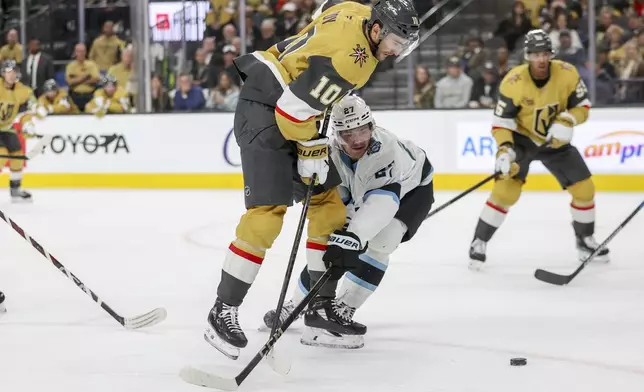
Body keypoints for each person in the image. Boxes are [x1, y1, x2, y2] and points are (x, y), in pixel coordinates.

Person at [205, 0, 419, 360]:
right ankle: (222, 309)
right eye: (395, 42)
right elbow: (291, 112)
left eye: (404, 45)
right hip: (265, 107)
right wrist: (311, 151)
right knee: (267, 213)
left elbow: (326, 6)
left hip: (287, 100)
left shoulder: (359, 10)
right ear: (378, 29)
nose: (396, 52)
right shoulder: (354, 61)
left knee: (328, 204)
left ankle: (318, 305)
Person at [261, 95, 434, 349]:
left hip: (410, 191)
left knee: (381, 242)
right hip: (364, 191)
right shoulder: (330, 155)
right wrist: (346, 235)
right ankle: (299, 302)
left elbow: (382, 202)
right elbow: (338, 204)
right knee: (333, 242)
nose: (358, 140)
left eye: (363, 130)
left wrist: (356, 236)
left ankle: (346, 306)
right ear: (336, 135)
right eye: (348, 133)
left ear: (371, 127)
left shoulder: (386, 150)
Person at [467, 29, 608, 271]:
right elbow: (501, 123)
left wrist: (568, 120)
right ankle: (479, 241)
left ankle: (584, 241)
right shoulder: (513, 82)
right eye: (535, 54)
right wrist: (504, 150)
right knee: (505, 193)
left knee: (585, 189)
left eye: (545, 54)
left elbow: (583, 106)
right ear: (527, 56)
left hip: (555, 141)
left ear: (551, 54)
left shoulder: (567, 73)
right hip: (522, 140)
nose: (541, 60)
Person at [0, 60, 38, 202]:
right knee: (1, 155)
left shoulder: (23, 90)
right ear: (3, 73)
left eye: (14, 72)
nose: (12, 75)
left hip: (7, 128)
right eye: (9, 72)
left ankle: (15, 189)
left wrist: (27, 123)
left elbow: (28, 110)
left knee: (17, 155)